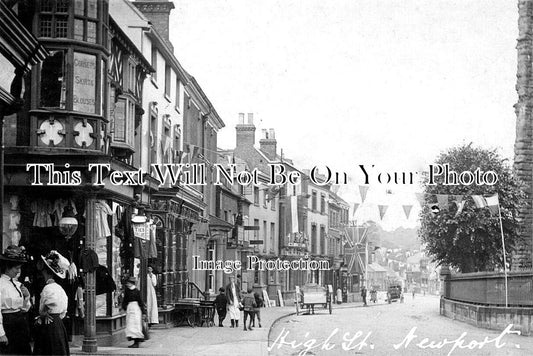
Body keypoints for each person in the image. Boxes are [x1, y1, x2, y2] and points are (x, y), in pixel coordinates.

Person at [33, 250, 70, 356]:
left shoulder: (48, 288)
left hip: (49, 325)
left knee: (48, 350)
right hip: (58, 323)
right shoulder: (60, 289)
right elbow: (63, 311)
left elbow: (48, 306)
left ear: (46, 271)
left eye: (43, 270)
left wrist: (43, 314)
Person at [0, 245, 32, 355]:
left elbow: (24, 309)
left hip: (20, 323)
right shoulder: (1, 285)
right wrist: (1, 333)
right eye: (16, 268)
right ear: (8, 267)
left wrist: (27, 297)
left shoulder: (18, 285)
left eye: (20, 268)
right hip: (7, 323)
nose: (18, 271)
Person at [122, 276, 147, 348]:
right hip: (130, 308)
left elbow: (140, 301)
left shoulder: (136, 291)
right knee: (130, 324)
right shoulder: (127, 291)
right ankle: (134, 340)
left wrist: (143, 312)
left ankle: (136, 341)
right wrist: (124, 307)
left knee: (136, 325)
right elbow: (125, 300)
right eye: (127, 283)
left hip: (136, 308)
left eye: (129, 283)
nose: (127, 284)